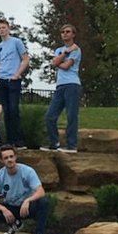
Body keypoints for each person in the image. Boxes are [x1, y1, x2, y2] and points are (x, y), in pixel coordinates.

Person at [0, 145, 49, 234]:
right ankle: (14, 224)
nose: (9, 160)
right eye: (6, 158)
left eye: (11, 156)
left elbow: (41, 191)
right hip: (11, 208)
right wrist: (3, 209)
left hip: (27, 207)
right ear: (1, 160)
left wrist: (28, 200)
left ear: (15, 157)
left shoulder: (27, 171)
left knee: (43, 202)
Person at [43, 24, 82, 152]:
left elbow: (65, 66)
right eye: (62, 32)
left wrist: (57, 62)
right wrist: (65, 53)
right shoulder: (60, 49)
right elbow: (54, 63)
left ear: (73, 34)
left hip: (72, 84)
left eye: (68, 31)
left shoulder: (76, 50)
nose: (65, 34)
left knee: (71, 115)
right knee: (50, 116)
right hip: (60, 86)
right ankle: (54, 143)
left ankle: (72, 145)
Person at [0, 18, 29, 147]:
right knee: (6, 110)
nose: (1, 30)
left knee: (14, 109)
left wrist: (17, 74)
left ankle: (18, 140)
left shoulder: (16, 42)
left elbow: (25, 59)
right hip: (1, 79)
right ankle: (8, 140)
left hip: (13, 79)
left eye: (3, 27)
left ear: (8, 28)